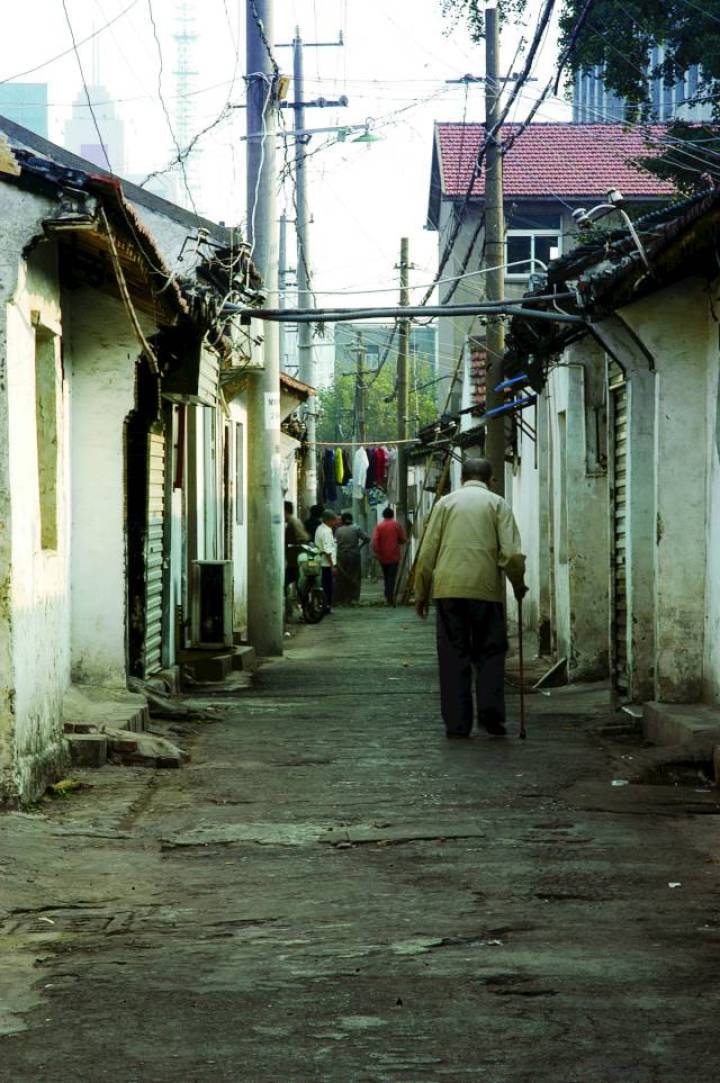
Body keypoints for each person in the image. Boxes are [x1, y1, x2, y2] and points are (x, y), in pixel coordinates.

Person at [414, 457, 527, 739]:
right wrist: (518, 584)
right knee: (490, 653)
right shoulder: (497, 504)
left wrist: (421, 592)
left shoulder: (445, 504)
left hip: (448, 591)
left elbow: (427, 553)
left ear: (462, 478)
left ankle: (457, 723)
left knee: (453, 656)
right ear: (490, 479)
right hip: (485, 591)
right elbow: (511, 554)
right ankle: (491, 716)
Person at [371, 506, 407, 605]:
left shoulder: (379, 526)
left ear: (383, 515)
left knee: (386, 576)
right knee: (391, 577)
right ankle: (390, 596)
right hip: (394, 555)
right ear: (392, 514)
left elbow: (374, 541)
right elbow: (403, 539)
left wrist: (377, 552)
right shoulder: (396, 525)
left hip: (382, 556)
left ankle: (388, 594)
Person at [334, 512, 369, 605]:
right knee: (355, 576)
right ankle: (354, 598)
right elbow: (367, 539)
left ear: (342, 520)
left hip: (341, 556)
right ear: (351, 519)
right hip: (354, 555)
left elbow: (334, 543)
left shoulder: (338, 530)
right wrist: (359, 547)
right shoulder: (356, 528)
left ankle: (344, 598)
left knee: (342, 577)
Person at [284, 501, 309, 618]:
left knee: (289, 586)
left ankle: (291, 612)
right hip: (294, 560)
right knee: (298, 588)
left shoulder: (292, 523)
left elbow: (302, 538)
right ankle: (301, 610)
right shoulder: (295, 522)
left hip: (294, 561)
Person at [314, 509, 337, 613]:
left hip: (320, 562)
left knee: (323, 585)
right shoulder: (326, 531)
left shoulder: (320, 528)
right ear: (328, 520)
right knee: (327, 587)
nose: (335, 522)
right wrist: (332, 566)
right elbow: (328, 551)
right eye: (334, 520)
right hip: (326, 564)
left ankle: (322, 605)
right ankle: (326, 606)